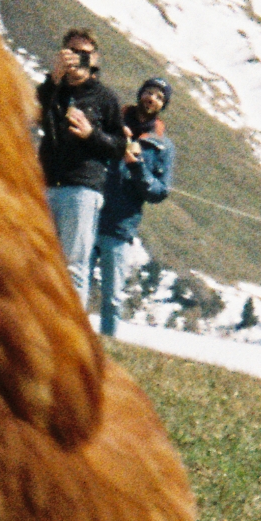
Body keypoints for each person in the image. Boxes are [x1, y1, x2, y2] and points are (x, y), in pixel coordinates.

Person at [35, 28, 125, 306]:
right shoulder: (52, 91)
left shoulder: (105, 98)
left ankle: (72, 337)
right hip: (47, 184)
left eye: (85, 54)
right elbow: (36, 112)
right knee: (39, 261)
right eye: (72, 52)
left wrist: (91, 135)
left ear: (95, 60)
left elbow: (120, 146)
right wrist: (54, 78)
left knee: (74, 265)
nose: (78, 59)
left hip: (82, 189)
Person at [91, 77, 174, 335]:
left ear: (163, 105)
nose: (152, 98)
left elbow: (160, 192)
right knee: (70, 283)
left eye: (159, 97)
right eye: (149, 92)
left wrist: (136, 166)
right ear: (140, 94)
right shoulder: (110, 123)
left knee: (112, 296)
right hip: (87, 212)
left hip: (120, 225)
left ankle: (107, 348)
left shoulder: (163, 146)